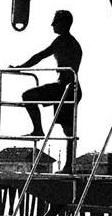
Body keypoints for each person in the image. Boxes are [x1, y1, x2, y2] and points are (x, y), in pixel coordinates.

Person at [11, 9, 83, 138]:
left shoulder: (63, 40)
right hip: (71, 89)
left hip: (65, 88)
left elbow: (41, 55)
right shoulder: (72, 42)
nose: (52, 25)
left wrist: (20, 67)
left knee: (28, 96)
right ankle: (70, 158)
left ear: (64, 23)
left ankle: (38, 130)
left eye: (55, 21)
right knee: (68, 130)